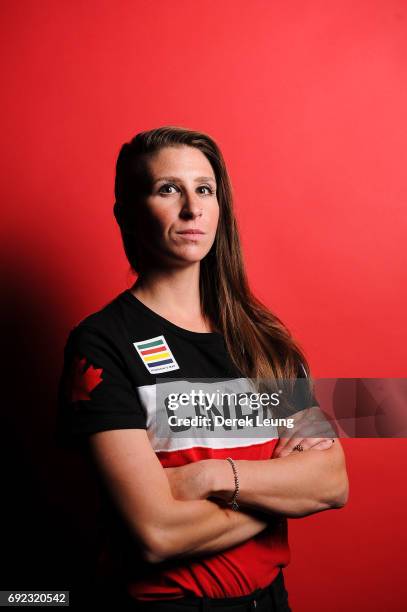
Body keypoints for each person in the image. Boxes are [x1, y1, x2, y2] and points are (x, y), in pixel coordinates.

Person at [57, 125, 349, 611]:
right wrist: (280, 496)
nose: (192, 208)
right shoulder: (102, 344)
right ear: (126, 212)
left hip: (270, 602)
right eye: (168, 189)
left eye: (205, 189)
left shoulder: (263, 339)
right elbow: (156, 532)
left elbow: (332, 481)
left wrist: (210, 477)